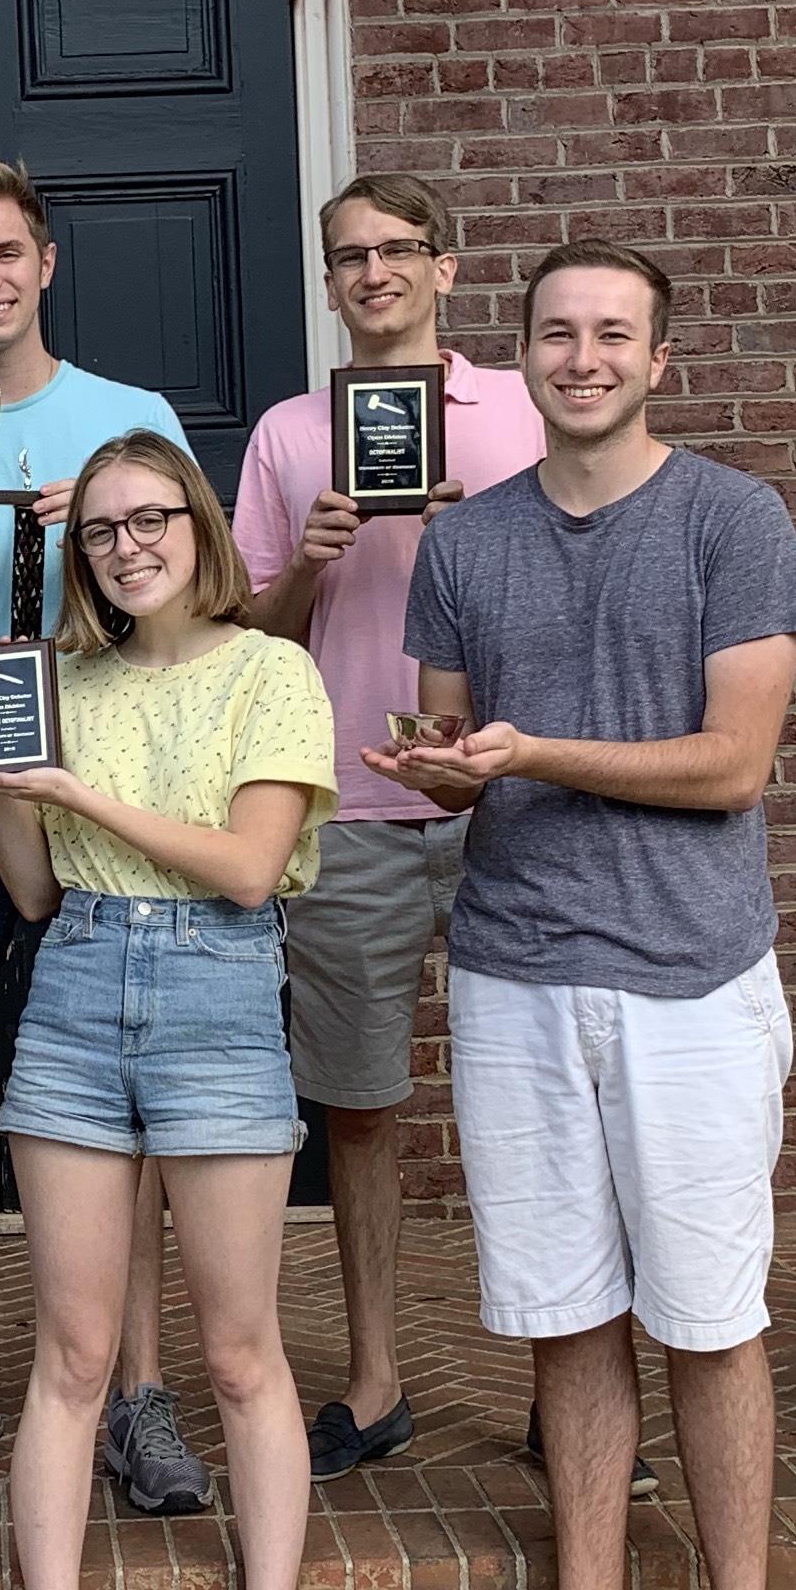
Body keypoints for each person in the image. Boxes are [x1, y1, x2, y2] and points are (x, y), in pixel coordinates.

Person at [376, 241, 796, 1590]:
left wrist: (531, 754)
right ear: (523, 356)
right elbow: (455, 754)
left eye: (613, 335)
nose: (584, 357)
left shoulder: (732, 520)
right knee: (565, 1314)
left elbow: (733, 765)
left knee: (709, 1318)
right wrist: (437, 772)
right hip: (513, 972)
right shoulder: (464, 542)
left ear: (658, 361)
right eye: (559, 333)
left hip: (690, 978)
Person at [0, 433, 339, 1590]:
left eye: (151, 521)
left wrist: (77, 791)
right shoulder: (58, 683)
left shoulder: (270, 671)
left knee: (240, 1351)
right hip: (75, 986)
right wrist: (11, 787)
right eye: (100, 531)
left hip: (217, 991)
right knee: (73, 1354)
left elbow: (250, 869)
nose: (127, 548)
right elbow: (32, 889)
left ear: (201, 526)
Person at [0, 155, 204, 1516]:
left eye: (6, 253)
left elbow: (198, 609)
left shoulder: (132, 422)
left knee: (127, 1102)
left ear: (47, 262)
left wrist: (101, 536)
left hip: (110, 808)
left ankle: (138, 1392)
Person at [232, 171, 546, 1481]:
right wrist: (312, 559)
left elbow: (583, 583)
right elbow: (246, 638)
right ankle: (375, 1382)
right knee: (360, 1105)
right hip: (350, 799)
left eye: (399, 249)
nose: (375, 273)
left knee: (537, 1096)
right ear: (329, 281)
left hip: (512, 800)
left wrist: (496, 542)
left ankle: (566, 1391)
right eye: (350, 255)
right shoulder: (291, 434)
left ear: (446, 267)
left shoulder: (523, 408)